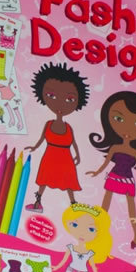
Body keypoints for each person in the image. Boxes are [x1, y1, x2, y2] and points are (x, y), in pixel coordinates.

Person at [86, 91, 136, 249]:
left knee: (132, 209)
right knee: (105, 206)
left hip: (127, 179)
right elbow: (106, 163)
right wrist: (97, 172)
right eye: (119, 119)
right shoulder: (115, 148)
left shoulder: (135, 152)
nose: (127, 129)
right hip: (114, 176)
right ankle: (97, 233)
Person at [25, 62, 90, 212]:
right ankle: (37, 203)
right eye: (51, 96)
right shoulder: (48, 124)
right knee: (44, 179)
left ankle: (74, 205)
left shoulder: (68, 127)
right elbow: (41, 139)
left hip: (65, 157)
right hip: (50, 155)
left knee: (68, 181)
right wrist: (34, 147)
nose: (60, 104)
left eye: (69, 100)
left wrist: (78, 155)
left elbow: (74, 142)